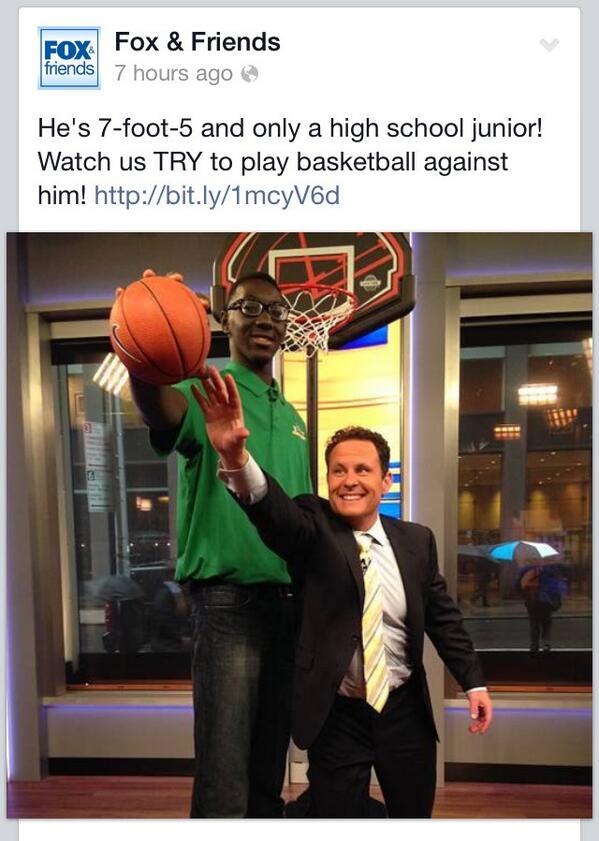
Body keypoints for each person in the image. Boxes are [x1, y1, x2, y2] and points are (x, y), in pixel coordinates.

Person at [193, 366, 493, 819]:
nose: (349, 480)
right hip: (338, 718)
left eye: (362, 469)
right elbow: (274, 513)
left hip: (404, 712)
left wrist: (474, 683)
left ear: (385, 481)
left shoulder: (416, 541)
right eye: (338, 470)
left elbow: (443, 619)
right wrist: (236, 459)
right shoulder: (313, 526)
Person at [128, 271, 312, 818]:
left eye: (276, 310)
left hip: (289, 607)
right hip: (229, 606)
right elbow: (158, 409)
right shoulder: (207, 390)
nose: (265, 319)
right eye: (249, 307)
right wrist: (142, 351)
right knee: (224, 778)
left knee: (267, 773)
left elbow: (302, 523)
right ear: (224, 319)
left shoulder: (292, 415)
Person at [519, 564, 565, 652]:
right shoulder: (550, 571)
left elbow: (520, 586)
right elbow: (555, 587)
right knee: (546, 623)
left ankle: (534, 645)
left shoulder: (528, 571)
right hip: (546, 602)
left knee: (534, 624)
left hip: (533, 601)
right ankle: (546, 644)